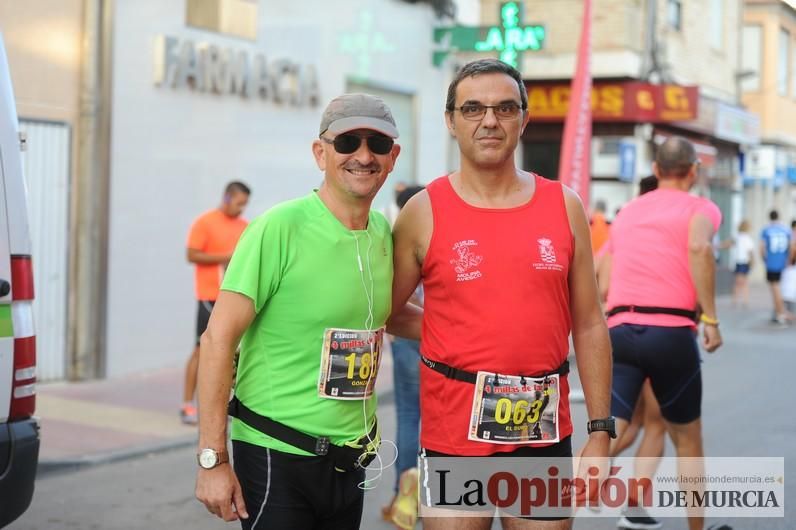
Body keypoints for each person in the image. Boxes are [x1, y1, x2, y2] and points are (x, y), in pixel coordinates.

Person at [389, 58, 613, 529]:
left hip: (542, 429)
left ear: (523, 119)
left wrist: (600, 431)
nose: (489, 120)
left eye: (505, 108)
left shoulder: (564, 205)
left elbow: (590, 322)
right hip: (452, 431)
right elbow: (386, 312)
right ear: (451, 121)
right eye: (473, 109)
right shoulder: (422, 211)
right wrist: (455, 332)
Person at [194, 93, 401, 529]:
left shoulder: (382, 232)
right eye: (348, 142)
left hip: (352, 460)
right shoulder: (280, 226)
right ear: (320, 152)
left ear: (393, 156)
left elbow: (385, 315)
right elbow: (216, 340)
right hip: (278, 455)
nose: (363, 155)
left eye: (377, 144)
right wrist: (212, 460)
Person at [603, 136, 727, 530]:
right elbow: (699, 247)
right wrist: (710, 319)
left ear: (656, 171)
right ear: (694, 171)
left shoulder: (627, 212)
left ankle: (553, 519)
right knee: (688, 439)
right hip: (671, 331)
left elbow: (601, 274)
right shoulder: (701, 207)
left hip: (619, 329)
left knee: (604, 435)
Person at [182, 181, 250, 424]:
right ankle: (188, 405)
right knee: (202, 350)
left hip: (233, 297)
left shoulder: (246, 227)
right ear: (227, 198)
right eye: (239, 203)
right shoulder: (205, 222)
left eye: (245, 205)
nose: (241, 209)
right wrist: (225, 257)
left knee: (233, 352)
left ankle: (227, 405)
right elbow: (191, 254)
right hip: (209, 296)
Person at [382, 184, 426, 530]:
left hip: (406, 337)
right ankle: (433, 494)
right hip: (439, 335)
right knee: (440, 420)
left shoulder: (397, 235)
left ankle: (404, 499)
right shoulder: (436, 227)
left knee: (409, 416)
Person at [760, 210, 794, 325]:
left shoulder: (766, 230)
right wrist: (788, 259)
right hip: (783, 262)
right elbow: (791, 246)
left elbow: (762, 247)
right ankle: (780, 311)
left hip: (772, 262)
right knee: (779, 287)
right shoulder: (785, 229)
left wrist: (765, 259)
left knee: (775, 288)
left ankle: (780, 313)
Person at [732, 220, 755, 308]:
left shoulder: (740, 237)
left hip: (742, 262)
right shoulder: (744, 238)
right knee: (742, 282)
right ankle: (742, 300)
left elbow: (750, 251)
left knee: (739, 282)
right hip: (743, 262)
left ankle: (739, 299)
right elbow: (751, 252)